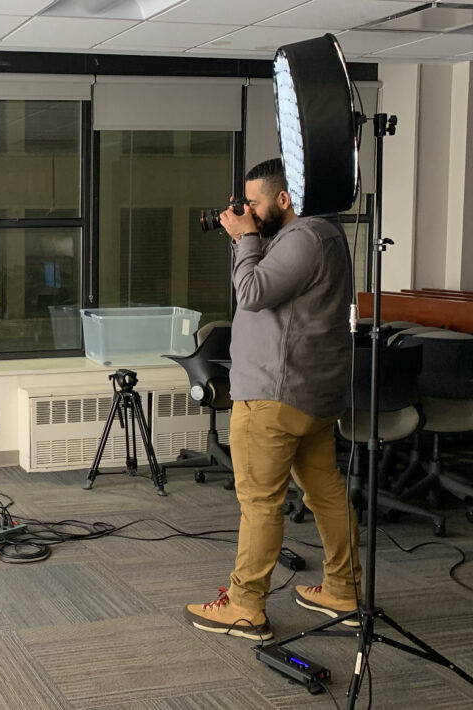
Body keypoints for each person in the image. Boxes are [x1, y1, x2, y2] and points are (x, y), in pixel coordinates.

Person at [184, 158, 362, 641]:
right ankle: (343, 589)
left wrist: (245, 240)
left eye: (255, 203)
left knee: (260, 502)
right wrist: (248, 238)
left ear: (284, 199)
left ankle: (245, 606)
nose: (247, 211)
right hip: (309, 395)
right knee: (325, 493)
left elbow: (254, 291)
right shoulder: (320, 236)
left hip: (274, 397)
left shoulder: (305, 236)